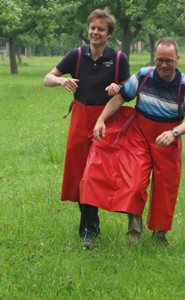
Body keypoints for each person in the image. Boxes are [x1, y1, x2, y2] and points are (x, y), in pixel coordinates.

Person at [89, 37, 185, 244]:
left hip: (167, 139)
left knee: (166, 188)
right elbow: (121, 97)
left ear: (177, 59)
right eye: (160, 60)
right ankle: (134, 234)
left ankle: (160, 235)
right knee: (134, 184)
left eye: (169, 60)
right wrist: (101, 119)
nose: (164, 65)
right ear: (154, 57)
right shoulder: (143, 75)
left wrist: (175, 132)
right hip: (139, 137)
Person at [43, 8, 130, 247]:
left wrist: (118, 88)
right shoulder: (76, 55)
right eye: (93, 28)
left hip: (105, 120)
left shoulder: (118, 58)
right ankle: (90, 225)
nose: (95, 32)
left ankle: (87, 230)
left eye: (101, 29)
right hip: (80, 118)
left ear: (109, 34)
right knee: (79, 172)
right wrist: (61, 80)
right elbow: (47, 78)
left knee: (94, 173)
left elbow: (127, 90)